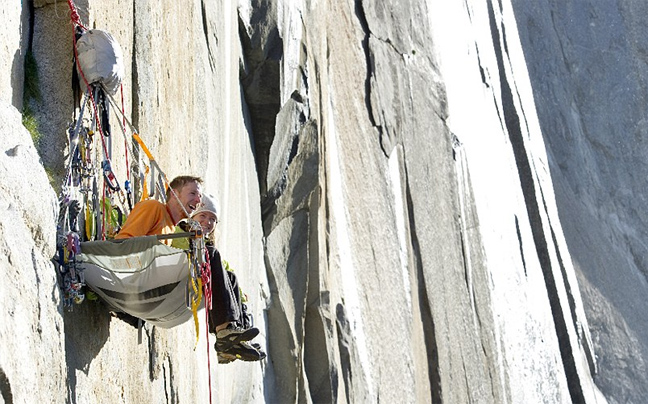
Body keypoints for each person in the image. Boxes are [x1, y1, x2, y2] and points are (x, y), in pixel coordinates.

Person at [182, 194, 266, 363]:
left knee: (231, 276)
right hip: (182, 272)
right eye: (203, 216)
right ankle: (224, 331)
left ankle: (238, 337)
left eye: (213, 219)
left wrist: (240, 298)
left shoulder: (207, 246)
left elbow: (225, 269)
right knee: (212, 254)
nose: (208, 222)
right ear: (192, 217)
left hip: (197, 274)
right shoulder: (181, 232)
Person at [116, 175, 203, 243]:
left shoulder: (171, 228)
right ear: (174, 194)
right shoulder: (154, 207)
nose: (198, 200)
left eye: (200, 196)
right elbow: (123, 243)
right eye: (192, 193)